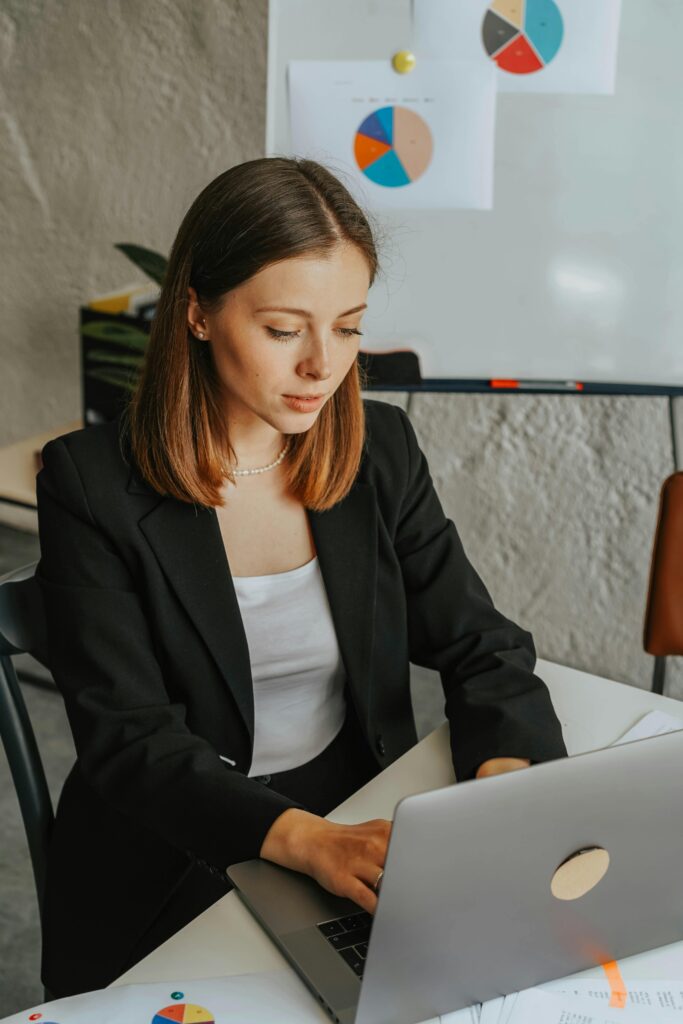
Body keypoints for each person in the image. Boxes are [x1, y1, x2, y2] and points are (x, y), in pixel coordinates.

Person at [35, 156, 567, 998]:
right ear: (198, 315)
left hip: (351, 803)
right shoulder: (88, 482)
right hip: (169, 847)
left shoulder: (379, 451)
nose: (324, 365)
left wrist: (503, 785)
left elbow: (480, 645)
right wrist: (302, 839)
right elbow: (129, 740)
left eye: (349, 326)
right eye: (285, 330)